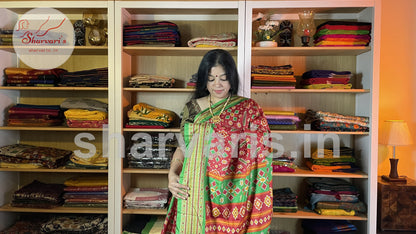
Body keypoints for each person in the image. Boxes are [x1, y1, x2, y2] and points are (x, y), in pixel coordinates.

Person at [162, 49, 273, 234]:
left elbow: (262, 153)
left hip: (233, 196)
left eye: (223, 78)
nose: (217, 85)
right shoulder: (192, 108)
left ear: (232, 78)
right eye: (211, 79)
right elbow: (183, 148)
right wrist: (172, 174)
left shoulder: (248, 109)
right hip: (192, 190)